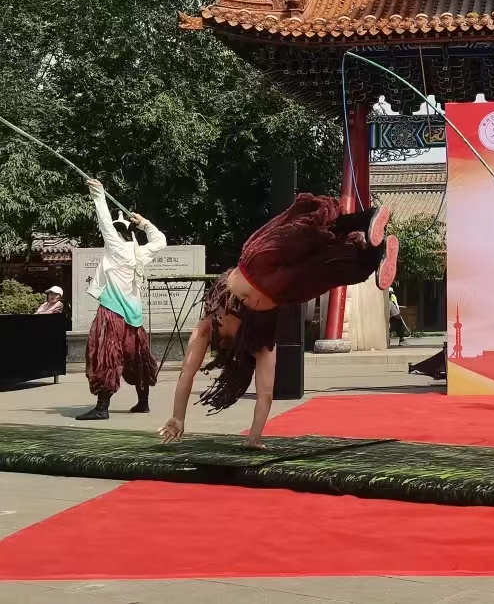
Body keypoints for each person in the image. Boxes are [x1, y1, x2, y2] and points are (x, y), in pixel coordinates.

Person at [159, 196, 398, 448]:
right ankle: (376, 255)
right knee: (328, 265)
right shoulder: (258, 340)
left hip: (257, 266)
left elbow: (187, 373)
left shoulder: (208, 326)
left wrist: (178, 415)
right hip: (278, 287)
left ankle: (366, 219)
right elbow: (265, 393)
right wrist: (254, 438)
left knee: (308, 234)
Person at [75, 179, 166, 421]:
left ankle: (102, 408)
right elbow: (160, 240)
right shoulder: (140, 252)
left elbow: (104, 222)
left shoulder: (114, 247)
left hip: (112, 313)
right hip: (135, 319)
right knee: (138, 358)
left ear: (117, 234)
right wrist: (145, 223)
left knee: (105, 356)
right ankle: (143, 402)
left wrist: (98, 193)